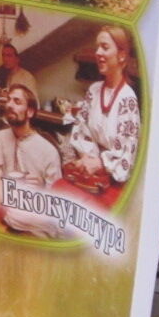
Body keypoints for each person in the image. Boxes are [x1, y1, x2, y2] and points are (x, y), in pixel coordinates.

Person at [58, 25, 140, 207]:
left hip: (113, 181)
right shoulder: (94, 91)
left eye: (104, 47)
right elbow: (81, 129)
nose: (98, 53)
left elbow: (125, 153)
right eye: (97, 47)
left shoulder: (128, 100)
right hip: (89, 173)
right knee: (57, 192)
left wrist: (101, 163)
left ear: (121, 55)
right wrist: (88, 159)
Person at [0, 83, 65, 238]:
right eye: (9, 100)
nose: (9, 105)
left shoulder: (48, 151)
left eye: (17, 102)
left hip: (34, 226)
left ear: (29, 112)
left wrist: (42, 187)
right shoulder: (1, 137)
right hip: (2, 215)